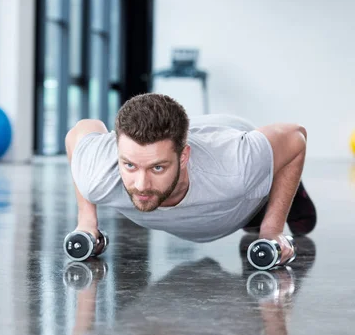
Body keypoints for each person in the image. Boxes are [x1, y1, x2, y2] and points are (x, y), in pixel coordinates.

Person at [66, 93, 316, 264]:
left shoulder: (235, 164)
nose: (141, 185)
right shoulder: (99, 171)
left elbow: (296, 136)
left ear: (184, 157)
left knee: (277, 203)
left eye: (157, 168)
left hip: (238, 163)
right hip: (215, 179)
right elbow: (79, 131)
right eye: (130, 165)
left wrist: (272, 229)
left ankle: (279, 197)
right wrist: (87, 221)